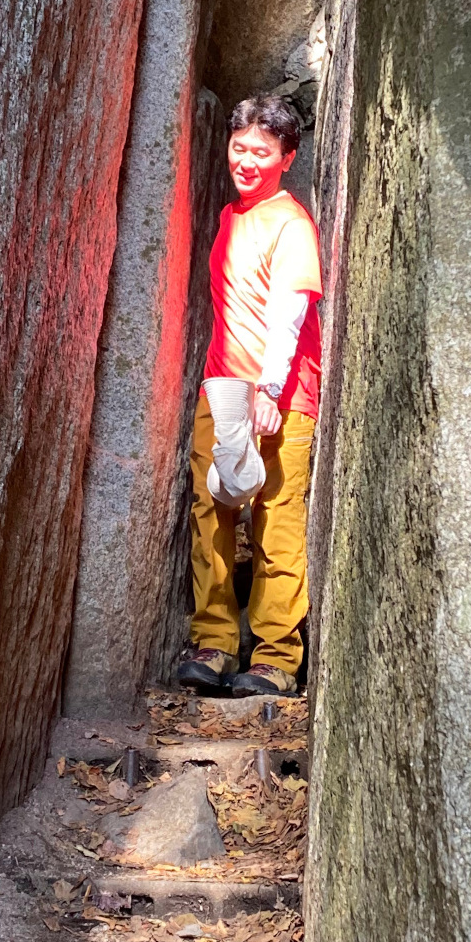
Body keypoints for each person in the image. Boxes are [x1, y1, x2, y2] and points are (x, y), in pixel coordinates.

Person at [177, 94, 322, 697]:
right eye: (239, 148)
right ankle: (213, 642)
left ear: (287, 158)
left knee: (276, 520)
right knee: (211, 509)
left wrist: (268, 387)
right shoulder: (233, 216)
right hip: (223, 386)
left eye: (262, 152)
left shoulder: (291, 223)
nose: (246, 160)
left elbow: (289, 313)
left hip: (282, 394)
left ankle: (275, 657)